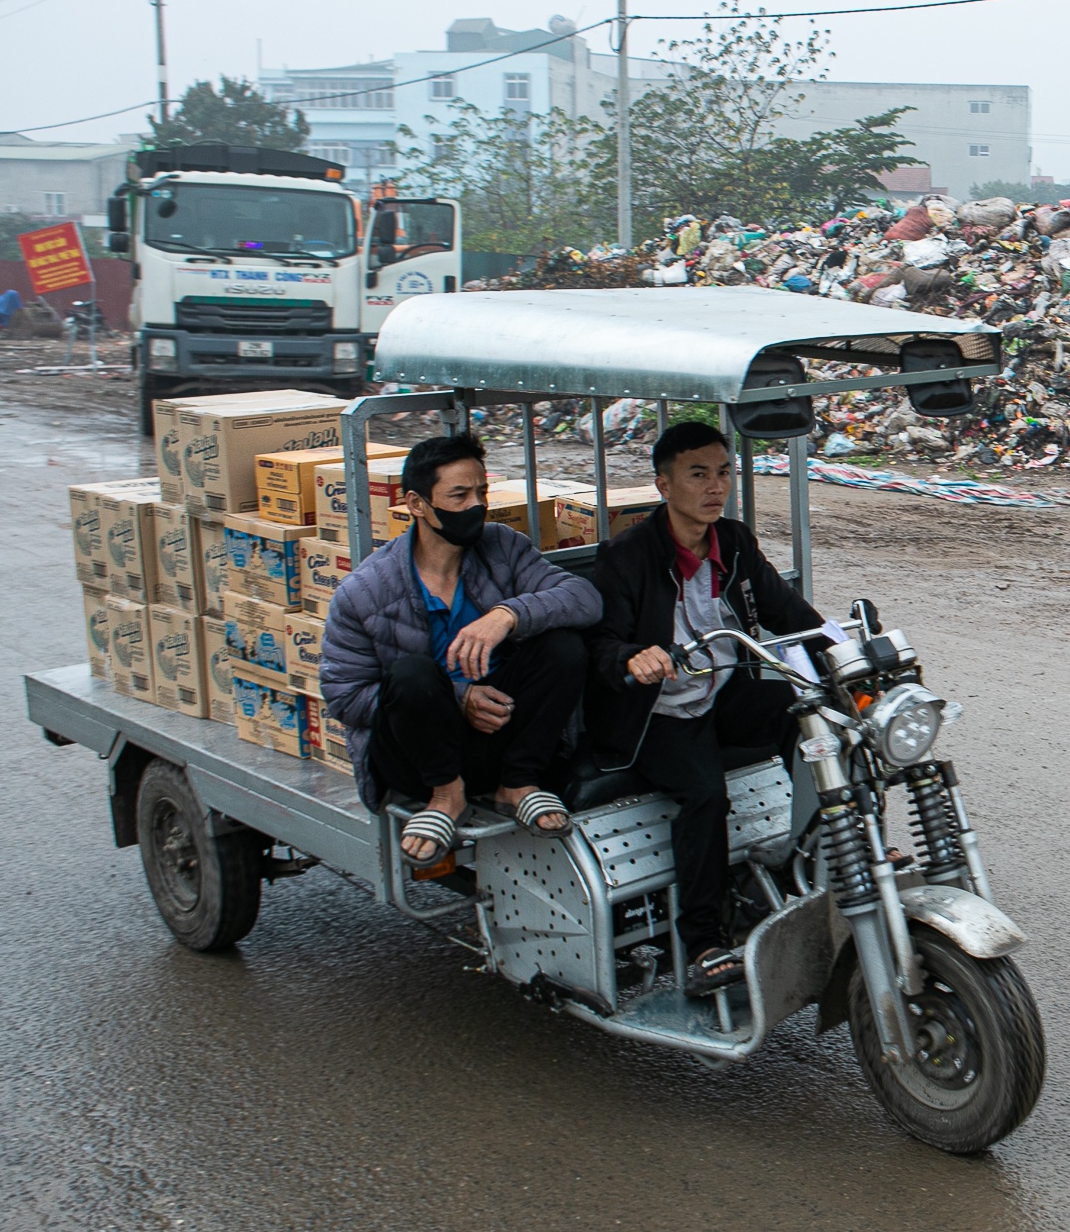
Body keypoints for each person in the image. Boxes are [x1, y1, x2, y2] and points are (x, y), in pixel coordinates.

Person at [584, 422, 823, 995]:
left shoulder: (734, 541)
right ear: (664, 485)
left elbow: (790, 615)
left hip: (719, 689)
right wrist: (631, 659)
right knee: (704, 792)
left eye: (723, 472)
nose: (716, 486)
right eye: (698, 474)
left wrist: (847, 649)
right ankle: (703, 941)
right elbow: (597, 647)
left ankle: (819, 851)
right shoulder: (626, 556)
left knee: (813, 713)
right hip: (657, 714)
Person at [320, 433, 603, 866]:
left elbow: (584, 599)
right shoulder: (366, 591)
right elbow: (345, 696)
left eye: (481, 492)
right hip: (420, 758)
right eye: (459, 495)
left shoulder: (503, 547)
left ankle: (518, 784)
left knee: (563, 646)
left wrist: (507, 615)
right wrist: (459, 697)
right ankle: (445, 799)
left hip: (499, 737)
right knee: (411, 674)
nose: (476, 505)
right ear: (417, 504)